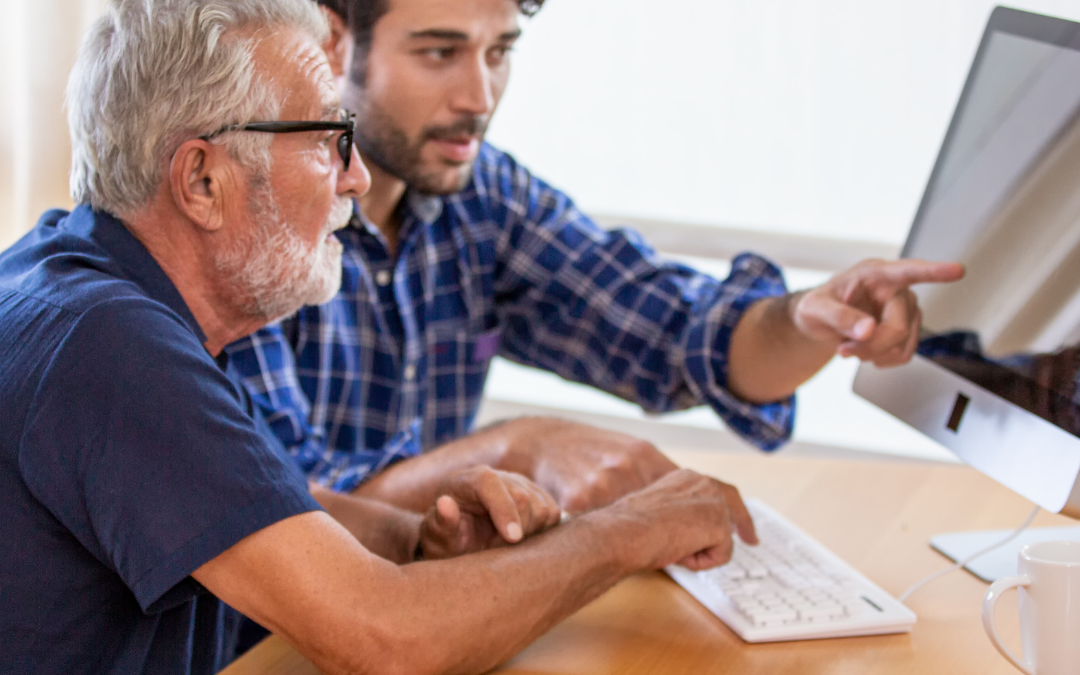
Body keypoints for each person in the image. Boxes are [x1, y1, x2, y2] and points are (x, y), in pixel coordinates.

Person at [0, 1, 766, 673]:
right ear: (202, 180)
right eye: (330, 138)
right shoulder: (113, 349)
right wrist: (631, 530)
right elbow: (386, 643)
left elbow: (246, 516)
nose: (358, 178)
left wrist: (412, 539)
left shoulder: (79, 283)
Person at [226, 0, 965, 513]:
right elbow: (287, 502)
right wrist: (522, 447)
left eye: (500, 52)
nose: (479, 95)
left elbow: (677, 334)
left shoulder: (483, 198)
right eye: (440, 52)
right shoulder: (251, 216)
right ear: (333, 40)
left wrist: (809, 317)